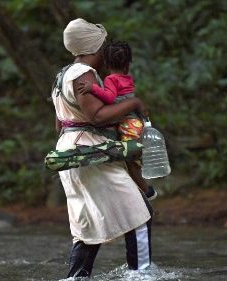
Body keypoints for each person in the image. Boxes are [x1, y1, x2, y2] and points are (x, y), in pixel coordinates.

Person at [51, 18, 153, 278]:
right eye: (102, 47)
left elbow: (59, 123)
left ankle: (77, 277)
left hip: (70, 152)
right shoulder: (83, 74)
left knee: (87, 225)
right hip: (91, 154)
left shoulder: (61, 76)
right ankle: (141, 275)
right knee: (139, 212)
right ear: (93, 48)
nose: (105, 53)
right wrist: (133, 104)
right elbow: (97, 116)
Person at [77, 41, 157, 200]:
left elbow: (110, 97)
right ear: (128, 64)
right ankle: (141, 188)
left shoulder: (111, 80)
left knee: (130, 159)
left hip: (128, 124)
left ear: (106, 64)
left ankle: (147, 191)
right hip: (135, 122)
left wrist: (92, 88)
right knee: (133, 156)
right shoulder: (127, 78)